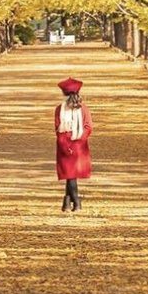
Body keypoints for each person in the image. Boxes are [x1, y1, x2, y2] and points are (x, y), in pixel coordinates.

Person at [55, 76, 92, 211]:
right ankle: (73, 201)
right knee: (70, 174)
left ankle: (71, 201)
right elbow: (89, 126)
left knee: (70, 174)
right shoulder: (83, 108)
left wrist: (71, 143)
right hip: (73, 144)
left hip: (72, 144)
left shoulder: (60, 109)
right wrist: (77, 142)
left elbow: (58, 129)